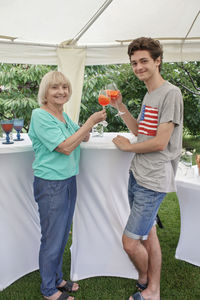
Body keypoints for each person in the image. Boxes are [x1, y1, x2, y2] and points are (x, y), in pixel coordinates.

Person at [111, 37, 183, 300]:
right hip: (138, 174)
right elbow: (140, 131)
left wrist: (127, 148)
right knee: (149, 235)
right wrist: (119, 106)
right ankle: (153, 288)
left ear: (157, 60)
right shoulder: (150, 93)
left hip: (152, 180)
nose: (138, 67)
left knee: (130, 242)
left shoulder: (170, 93)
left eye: (143, 61)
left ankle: (147, 282)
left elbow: (161, 142)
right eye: (134, 63)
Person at [28, 70, 106, 300]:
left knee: (62, 234)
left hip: (69, 179)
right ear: (45, 91)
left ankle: (56, 277)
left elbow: (84, 137)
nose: (61, 91)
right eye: (55, 87)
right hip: (51, 183)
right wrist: (90, 121)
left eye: (64, 87)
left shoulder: (63, 115)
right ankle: (48, 289)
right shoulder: (40, 115)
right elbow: (64, 147)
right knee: (52, 236)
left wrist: (90, 125)